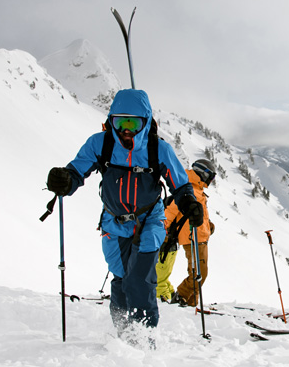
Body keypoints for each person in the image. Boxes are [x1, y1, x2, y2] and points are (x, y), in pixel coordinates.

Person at [45, 89, 204, 334]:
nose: (126, 130)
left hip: (149, 222)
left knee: (140, 281)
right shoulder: (101, 143)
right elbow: (76, 172)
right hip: (113, 223)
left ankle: (143, 337)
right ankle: (122, 331)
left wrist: (189, 204)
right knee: (120, 280)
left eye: (132, 123)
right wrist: (65, 180)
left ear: (146, 122)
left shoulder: (158, 149)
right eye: (120, 122)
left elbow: (181, 185)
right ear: (111, 121)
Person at [156, 159, 216, 307]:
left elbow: (198, 214)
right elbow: (169, 212)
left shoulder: (196, 189)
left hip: (200, 236)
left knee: (197, 273)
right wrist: (161, 231)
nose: (211, 181)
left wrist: (208, 226)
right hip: (192, 238)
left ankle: (190, 304)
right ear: (203, 174)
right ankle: (181, 296)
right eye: (211, 177)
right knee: (200, 274)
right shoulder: (188, 191)